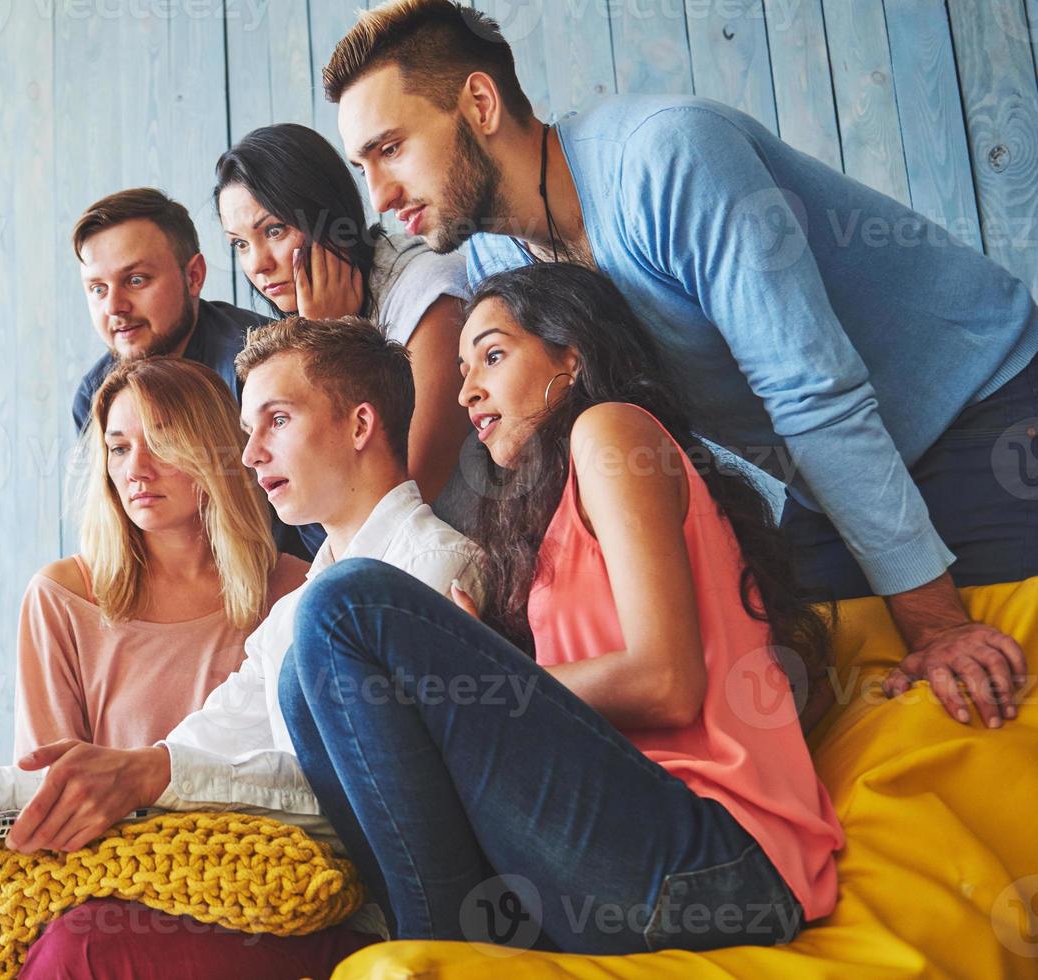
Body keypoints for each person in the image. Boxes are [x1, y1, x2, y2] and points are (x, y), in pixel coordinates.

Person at [322, 0, 1034, 727]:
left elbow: (813, 394)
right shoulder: (493, 257)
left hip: (980, 404)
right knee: (823, 713)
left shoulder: (669, 156)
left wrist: (938, 626)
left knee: (974, 695)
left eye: (391, 149)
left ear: (478, 102)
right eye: (362, 165)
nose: (378, 196)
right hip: (827, 481)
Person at [280, 262, 845, 955]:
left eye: (491, 354)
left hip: (715, 865)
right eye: (461, 369)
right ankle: (440, 945)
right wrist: (483, 676)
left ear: (570, 354)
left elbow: (665, 684)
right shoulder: (537, 524)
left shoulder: (611, 434)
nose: (466, 392)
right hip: (616, 861)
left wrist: (471, 686)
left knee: (346, 606)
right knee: (300, 677)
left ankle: (440, 944)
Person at [0, 316, 486, 975]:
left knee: (85, 944)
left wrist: (156, 775)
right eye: (249, 432)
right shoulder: (298, 604)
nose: (250, 455)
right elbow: (197, 744)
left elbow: (366, 795)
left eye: (275, 422)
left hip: (364, 903)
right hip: (276, 883)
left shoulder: (435, 573)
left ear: (360, 425)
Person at [0, 357, 308, 910]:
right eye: (119, 447)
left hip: (232, 857)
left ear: (217, 451)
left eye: (161, 441)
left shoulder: (297, 589)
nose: (137, 468)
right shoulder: (61, 596)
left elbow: (300, 777)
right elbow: (48, 786)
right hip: (96, 851)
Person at [215, 123, 475, 538]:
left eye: (274, 231)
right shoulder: (294, 326)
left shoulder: (429, 293)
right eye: (240, 244)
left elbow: (401, 497)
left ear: (327, 216)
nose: (258, 264)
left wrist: (329, 339)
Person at [70, 186, 314, 560]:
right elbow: (115, 532)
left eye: (136, 280)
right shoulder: (94, 395)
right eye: (98, 289)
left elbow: (317, 531)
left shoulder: (264, 366)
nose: (115, 307)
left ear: (194, 276)